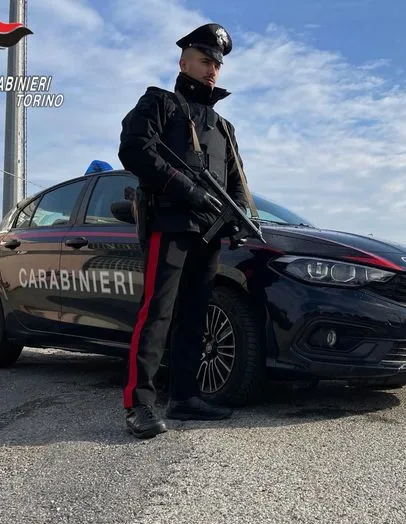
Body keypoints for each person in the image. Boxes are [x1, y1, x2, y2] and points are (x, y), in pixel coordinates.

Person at [117, 23, 253, 438]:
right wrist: (189, 191)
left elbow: (236, 180)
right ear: (183, 62)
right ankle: (139, 404)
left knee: (195, 316)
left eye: (217, 64)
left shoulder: (223, 126)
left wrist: (239, 217)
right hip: (171, 224)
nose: (212, 70)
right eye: (205, 60)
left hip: (209, 234)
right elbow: (134, 150)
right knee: (156, 313)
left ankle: (185, 397)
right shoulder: (159, 103)